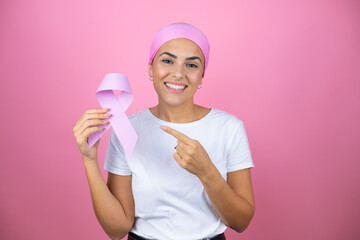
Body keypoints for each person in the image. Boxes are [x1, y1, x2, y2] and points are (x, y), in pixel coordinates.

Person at [73, 22, 255, 240]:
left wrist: (207, 172)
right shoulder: (127, 130)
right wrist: (89, 159)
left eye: (192, 65)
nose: (178, 73)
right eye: (167, 61)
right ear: (151, 69)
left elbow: (241, 222)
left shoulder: (229, 128)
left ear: (202, 76)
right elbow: (117, 229)